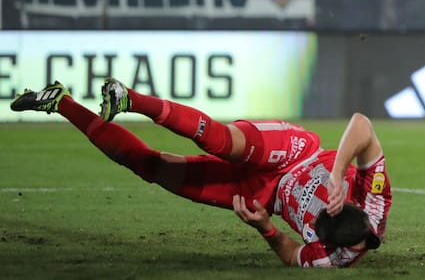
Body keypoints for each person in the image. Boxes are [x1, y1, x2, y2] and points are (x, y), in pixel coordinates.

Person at [11, 79, 391, 268]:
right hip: (298, 153)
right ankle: (129, 97)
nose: (320, 206)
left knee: (151, 167)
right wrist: (339, 173)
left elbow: (294, 255)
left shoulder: (330, 259)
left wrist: (266, 229)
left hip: (264, 196)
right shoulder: (374, 201)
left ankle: (60, 102)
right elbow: (361, 125)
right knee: (223, 141)